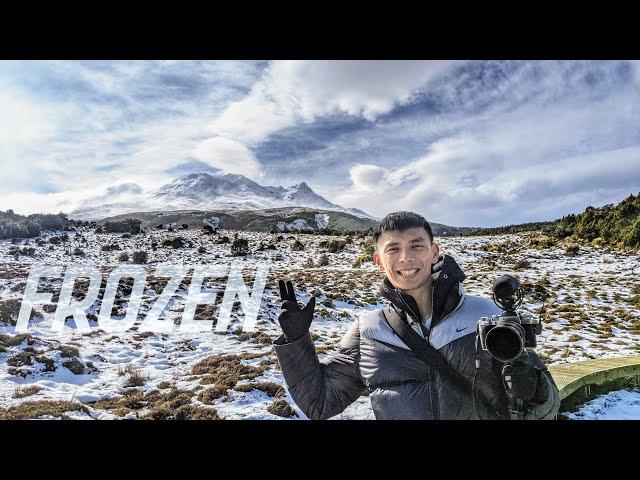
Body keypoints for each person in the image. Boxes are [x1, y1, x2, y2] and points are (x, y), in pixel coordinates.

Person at [273, 211, 560, 420]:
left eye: (416, 246)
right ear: (378, 261)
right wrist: (296, 341)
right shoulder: (369, 331)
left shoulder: (486, 315)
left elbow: (547, 407)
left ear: (435, 252)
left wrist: (535, 391)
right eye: (393, 249)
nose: (406, 258)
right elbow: (320, 403)